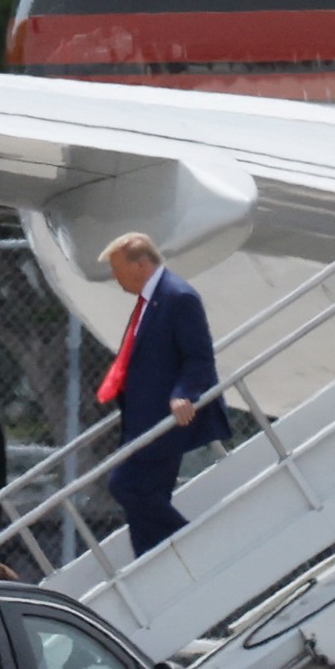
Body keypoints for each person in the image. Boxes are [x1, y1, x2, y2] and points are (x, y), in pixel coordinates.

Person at [95, 232, 231, 558]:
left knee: (124, 484)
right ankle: (152, 558)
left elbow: (199, 357)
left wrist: (184, 394)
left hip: (164, 421)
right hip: (141, 420)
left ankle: (190, 544)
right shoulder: (150, 301)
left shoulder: (178, 297)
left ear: (141, 264)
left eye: (118, 269)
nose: (116, 278)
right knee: (146, 494)